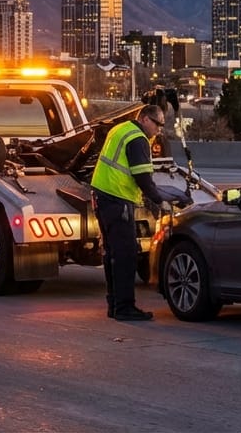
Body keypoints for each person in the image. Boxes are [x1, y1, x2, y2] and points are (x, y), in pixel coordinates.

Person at [91, 104, 169, 321]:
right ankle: (125, 307)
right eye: (157, 124)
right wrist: (158, 201)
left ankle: (114, 304)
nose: (159, 130)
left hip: (102, 195)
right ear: (144, 119)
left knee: (112, 254)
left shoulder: (121, 128)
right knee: (125, 255)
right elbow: (142, 177)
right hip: (118, 199)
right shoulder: (138, 139)